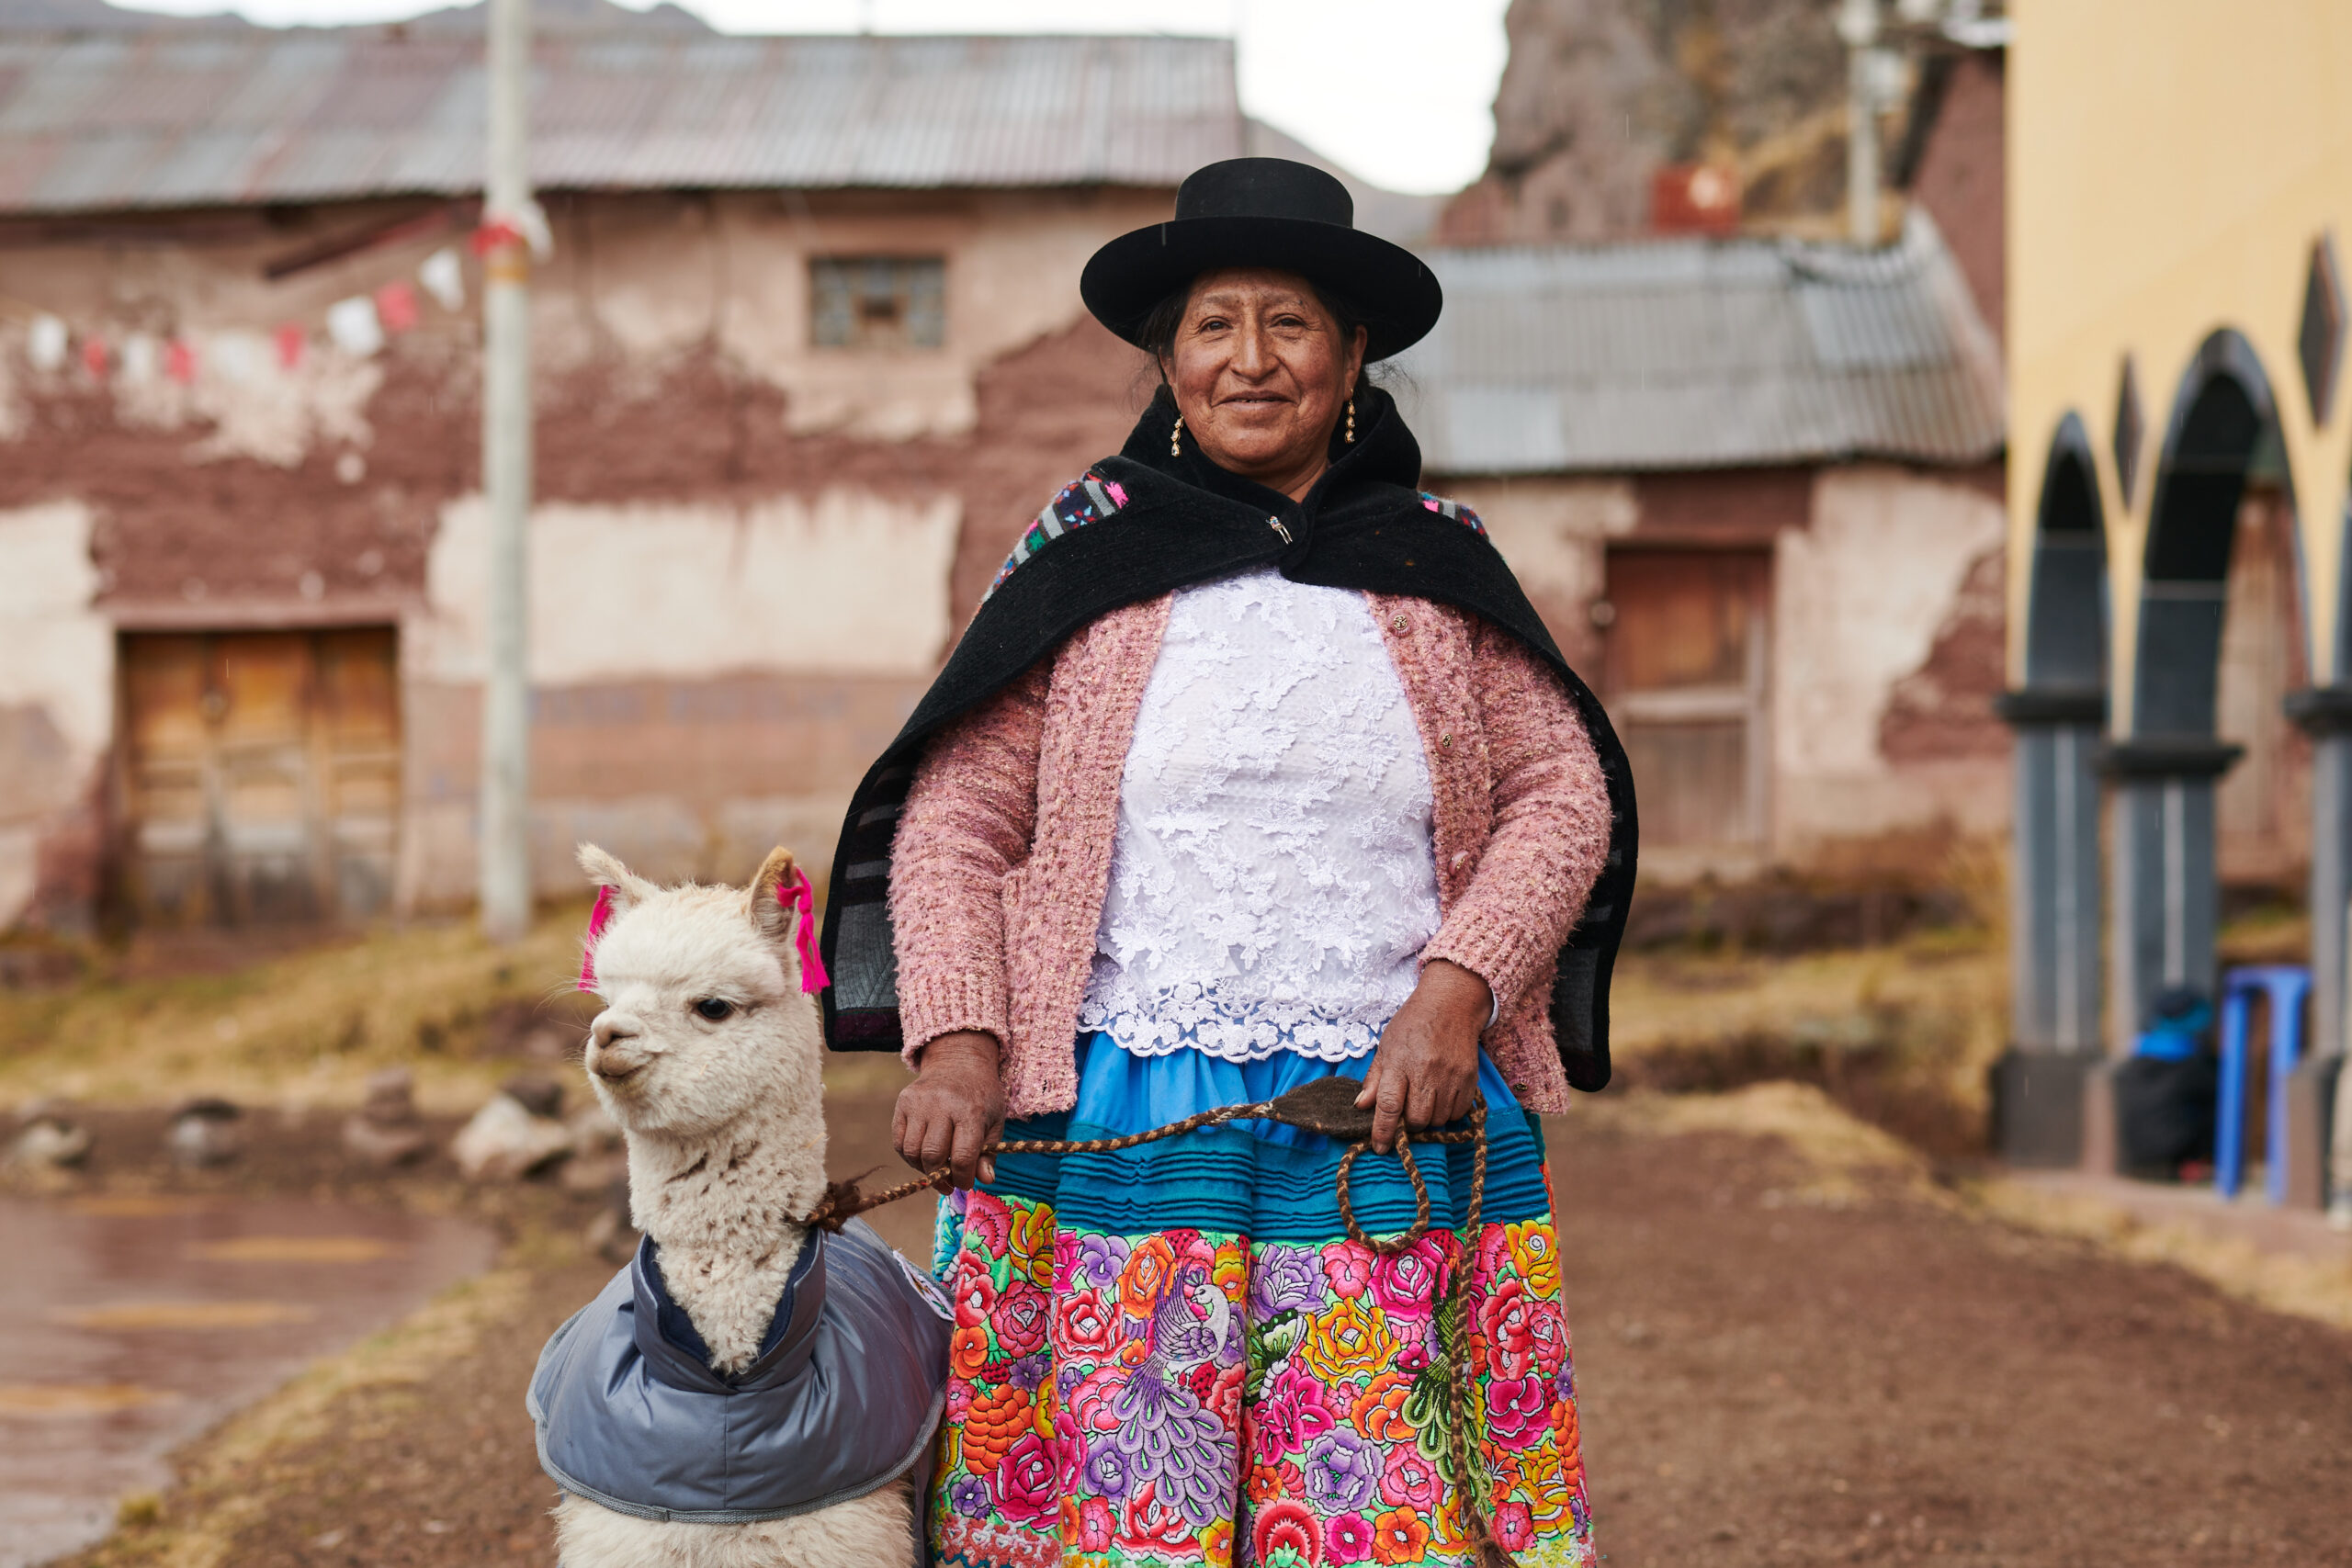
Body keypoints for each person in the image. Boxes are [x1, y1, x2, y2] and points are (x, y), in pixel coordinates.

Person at [819, 158, 1634, 1568]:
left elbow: (1562, 793)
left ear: (1354, 356)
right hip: (1120, 1109)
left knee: (1376, 1518)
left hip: (1384, 1113)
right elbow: (957, 813)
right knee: (1126, 1516)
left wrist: (1458, 995)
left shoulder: (1435, 565)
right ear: (1167, 357)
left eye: (1290, 324)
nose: (1250, 361)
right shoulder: (1090, 557)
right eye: (1214, 324)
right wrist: (958, 1043)